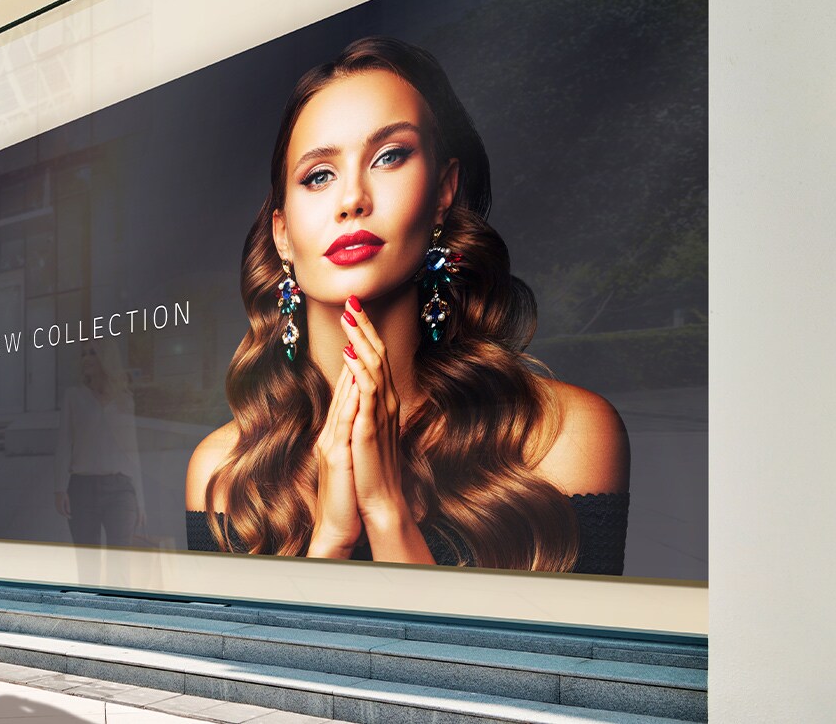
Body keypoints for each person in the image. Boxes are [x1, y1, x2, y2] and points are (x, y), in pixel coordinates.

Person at [184, 37, 631, 574]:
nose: (352, 199)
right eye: (318, 176)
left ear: (444, 191)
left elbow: (554, 661)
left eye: (389, 157)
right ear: (282, 234)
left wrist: (388, 514)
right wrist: (330, 540)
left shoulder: (563, 436)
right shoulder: (226, 472)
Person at [53, 342, 145, 584]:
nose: (86, 358)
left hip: (121, 490)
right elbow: (64, 443)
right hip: (82, 488)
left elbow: (132, 452)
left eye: (92, 352)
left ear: (106, 357)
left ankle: (119, 619)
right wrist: (59, 487)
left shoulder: (124, 399)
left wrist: (141, 501)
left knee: (120, 568)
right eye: (83, 354)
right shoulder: (74, 396)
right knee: (88, 569)